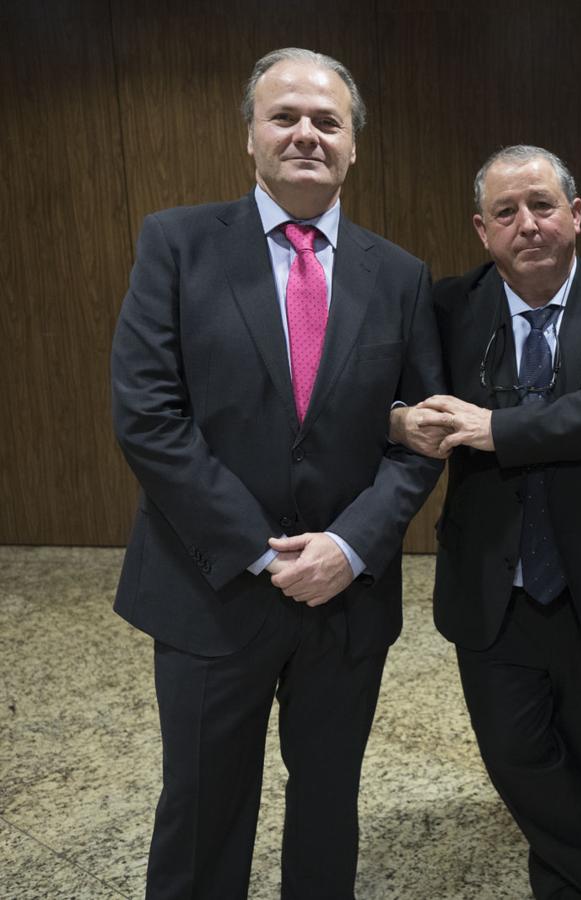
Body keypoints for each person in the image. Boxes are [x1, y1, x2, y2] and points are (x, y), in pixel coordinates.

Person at [109, 48, 444, 898]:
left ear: (353, 146)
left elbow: (420, 437)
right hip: (209, 586)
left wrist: (349, 545)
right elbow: (149, 416)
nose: (306, 133)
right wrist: (264, 551)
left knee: (328, 808)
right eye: (285, 116)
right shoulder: (175, 243)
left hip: (347, 598)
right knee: (202, 812)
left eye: (327, 121)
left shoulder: (400, 276)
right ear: (250, 137)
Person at [391, 145, 581, 900]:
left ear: (575, 215)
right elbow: (396, 392)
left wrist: (501, 429)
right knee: (518, 758)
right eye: (506, 212)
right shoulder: (450, 308)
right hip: (496, 584)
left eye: (543, 205)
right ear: (482, 230)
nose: (528, 224)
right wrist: (399, 420)